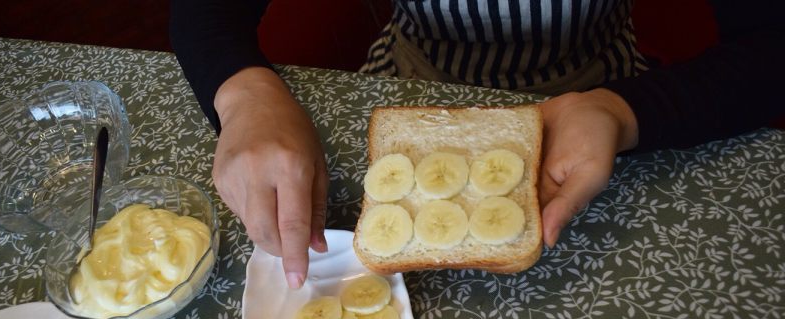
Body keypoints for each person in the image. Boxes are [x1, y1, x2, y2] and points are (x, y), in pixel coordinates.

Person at [170, 0, 785, 289]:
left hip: (598, 95)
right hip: (410, 82)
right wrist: (247, 94)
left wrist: (622, 111)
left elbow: (769, 47)